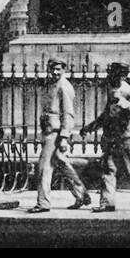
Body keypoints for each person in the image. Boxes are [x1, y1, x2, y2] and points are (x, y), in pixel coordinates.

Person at [80, 62, 130, 212]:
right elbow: (106, 114)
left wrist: (122, 102)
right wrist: (90, 128)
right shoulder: (111, 89)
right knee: (108, 169)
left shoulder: (128, 91)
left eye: (114, 74)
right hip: (111, 136)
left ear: (123, 76)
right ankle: (107, 202)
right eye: (110, 73)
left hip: (125, 137)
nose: (110, 76)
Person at [27, 59, 91, 214]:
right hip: (49, 130)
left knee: (44, 167)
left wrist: (64, 137)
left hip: (55, 133)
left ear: (64, 70)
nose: (55, 72)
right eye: (52, 69)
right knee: (61, 163)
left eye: (58, 69)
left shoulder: (64, 86)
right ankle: (82, 194)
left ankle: (43, 203)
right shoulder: (51, 84)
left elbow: (68, 114)